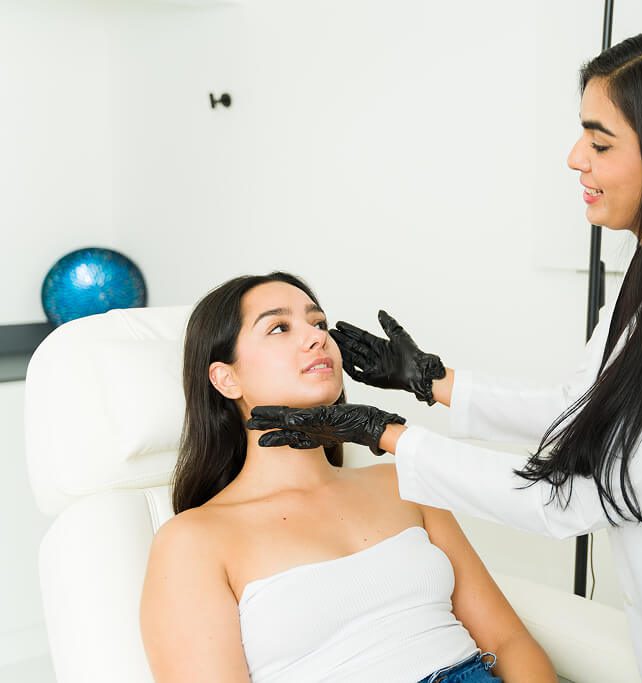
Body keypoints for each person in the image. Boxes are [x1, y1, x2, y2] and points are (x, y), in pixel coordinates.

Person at [252, 30, 642, 683]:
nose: (576, 158)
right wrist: (431, 381)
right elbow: (578, 410)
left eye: (600, 143)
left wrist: (388, 435)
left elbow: (579, 499)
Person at [138, 272, 556, 683]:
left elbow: (508, 642)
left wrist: (427, 389)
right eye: (279, 327)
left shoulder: (401, 482)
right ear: (227, 379)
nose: (316, 337)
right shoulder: (193, 539)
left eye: (319, 323)